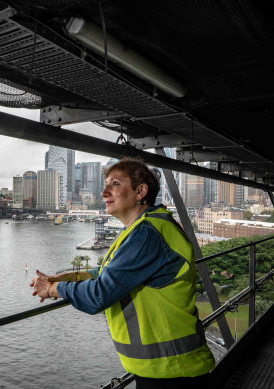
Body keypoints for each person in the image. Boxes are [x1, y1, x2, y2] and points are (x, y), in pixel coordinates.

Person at [30, 158, 215, 389]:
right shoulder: (141, 228)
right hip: (166, 367)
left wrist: (52, 289)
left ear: (140, 191)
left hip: (172, 371)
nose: (104, 191)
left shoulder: (146, 234)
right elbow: (104, 272)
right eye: (106, 184)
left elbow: (99, 295)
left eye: (115, 184)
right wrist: (65, 277)